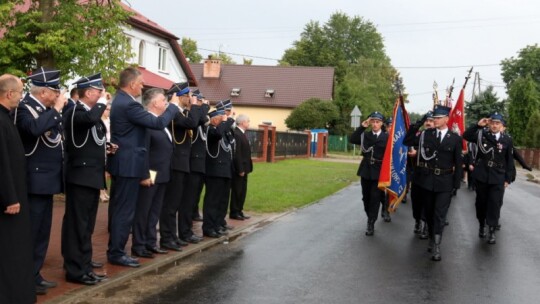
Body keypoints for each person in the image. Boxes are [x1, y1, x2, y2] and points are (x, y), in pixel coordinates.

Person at [107, 67, 179, 268]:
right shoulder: (129, 105)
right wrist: (173, 107)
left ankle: (117, 250)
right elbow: (158, 123)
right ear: (131, 84)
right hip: (128, 164)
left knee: (125, 211)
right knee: (124, 212)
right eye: (140, 83)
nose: (142, 86)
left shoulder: (123, 101)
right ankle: (116, 252)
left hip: (127, 164)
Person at [13, 67, 66, 291]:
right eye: (55, 91)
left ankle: (34, 273)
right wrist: (55, 109)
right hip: (34, 179)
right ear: (44, 92)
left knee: (43, 231)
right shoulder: (24, 109)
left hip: (47, 179)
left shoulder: (45, 108)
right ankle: (25, 276)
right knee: (32, 231)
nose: (57, 96)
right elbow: (33, 130)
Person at [62, 73, 109, 285]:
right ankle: (75, 270)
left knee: (87, 227)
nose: (103, 95)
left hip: (91, 176)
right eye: (99, 92)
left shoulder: (89, 113)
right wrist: (101, 104)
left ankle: (85, 265)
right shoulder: (74, 111)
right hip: (80, 177)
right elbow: (88, 121)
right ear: (89, 92)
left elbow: (93, 138)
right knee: (77, 226)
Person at [404, 105, 462, 261]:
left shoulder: (455, 138)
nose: (435, 120)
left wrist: (456, 185)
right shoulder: (425, 135)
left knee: (439, 214)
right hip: (426, 181)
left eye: (438, 118)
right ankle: (431, 235)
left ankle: (436, 246)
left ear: (446, 119)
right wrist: (419, 123)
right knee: (429, 213)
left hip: (445, 182)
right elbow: (407, 140)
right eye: (433, 118)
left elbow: (458, 162)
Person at [0, 74, 36, 303]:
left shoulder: (6, 118)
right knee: (9, 251)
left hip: (13, 195)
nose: (21, 98)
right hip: (8, 200)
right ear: (9, 93)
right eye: (20, 93)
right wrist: (9, 198)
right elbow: (1, 162)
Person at [131, 88, 174, 258]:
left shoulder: (160, 122)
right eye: (163, 100)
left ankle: (150, 242)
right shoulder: (148, 122)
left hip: (162, 172)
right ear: (155, 103)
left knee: (154, 210)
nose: (166, 103)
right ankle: (139, 245)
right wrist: (145, 174)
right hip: (151, 172)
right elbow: (145, 151)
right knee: (144, 210)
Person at [160, 82, 202, 251]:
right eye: (187, 96)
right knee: (170, 205)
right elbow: (191, 123)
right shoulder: (173, 113)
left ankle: (172, 236)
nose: (189, 99)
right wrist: (194, 106)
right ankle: (167, 237)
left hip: (182, 163)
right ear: (179, 96)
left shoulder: (180, 113)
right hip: (175, 163)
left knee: (175, 203)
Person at [463, 113, 515, 244]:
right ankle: (481, 224)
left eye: (498, 123)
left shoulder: (507, 140)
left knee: (495, 204)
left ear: (502, 125)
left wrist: (508, 178)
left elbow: (509, 160)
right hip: (482, 175)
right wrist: (478, 125)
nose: (494, 125)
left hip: (498, 176)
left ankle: (491, 230)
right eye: (492, 123)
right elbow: (466, 136)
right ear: (489, 124)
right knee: (481, 203)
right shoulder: (482, 135)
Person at [349, 111, 388, 236]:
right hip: (366, 169)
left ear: (382, 123)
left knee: (375, 198)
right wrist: (362, 127)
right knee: (366, 197)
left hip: (379, 170)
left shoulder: (387, 137)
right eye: (373, 122)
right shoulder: (365, 135)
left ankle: (371, 222)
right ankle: (369, 215)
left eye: (378, 122)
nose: (375, 124)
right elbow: (352, 139)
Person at [180, 91, 209, 244]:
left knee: (191, 201)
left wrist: (200, 106)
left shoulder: (195, 115)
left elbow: (203, 120)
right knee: (187, 201)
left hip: (197, 163)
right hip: (191, 163)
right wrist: (198, 106)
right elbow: (196, 121)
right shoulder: (187, 115)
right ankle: (184, 231)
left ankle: (187, 230)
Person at [202, 109, 235, 238]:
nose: (223, 121)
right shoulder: (211, 130)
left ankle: (217, 225)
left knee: (221, 201)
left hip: (224, 171)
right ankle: (208, 227)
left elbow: (228, 144)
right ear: (215, 119)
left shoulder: (222, 130)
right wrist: (226, 121)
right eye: (221, 119)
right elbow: (217, 135)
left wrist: (227, 121)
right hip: (214, 171)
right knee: (212, 201)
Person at [407, 111, 434, 238]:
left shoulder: (440, 137)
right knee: (416, 201)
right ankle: (418, 220)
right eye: (427, 121)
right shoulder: (421, 135)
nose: (428, 123)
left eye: (431, 121)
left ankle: (425, 224)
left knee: (427, 201)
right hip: (418, 174)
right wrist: (418, 123)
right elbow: (407, 140)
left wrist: (417, 153)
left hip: (431, 175)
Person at [229, 114, 254, 220]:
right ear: (242, 122)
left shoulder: (242, 134)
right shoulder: (237, 134)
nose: (248, 123)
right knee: (237, 190)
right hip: (240, 169)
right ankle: (234, 211)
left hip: (245, 168)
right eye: (248, 121)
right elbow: (237, 153)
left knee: (243, 191)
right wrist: (240, 169)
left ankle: (239, 210)